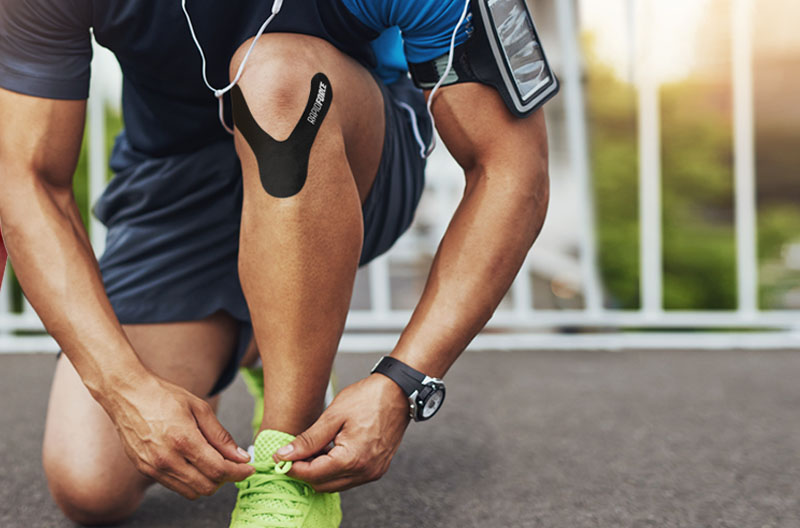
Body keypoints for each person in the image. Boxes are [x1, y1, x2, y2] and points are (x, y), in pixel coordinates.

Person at [0, 0, 551, 526]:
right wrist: (125, 391)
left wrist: (403, 383)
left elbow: (511, 169)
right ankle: (267, 341)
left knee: (273, 75)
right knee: (89, 480)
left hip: (348, 145)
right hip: (178, 187)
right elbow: (26, 181)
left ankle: (285, 462)